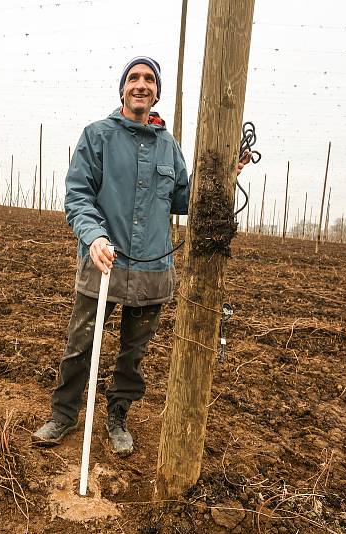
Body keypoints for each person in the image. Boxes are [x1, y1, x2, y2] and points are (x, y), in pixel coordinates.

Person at [31, 56, 248, 456]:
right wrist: (94, 237)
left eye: (149, 79)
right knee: (80, 345)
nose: (141, 84)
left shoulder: (169, 147)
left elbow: (185, 199)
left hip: (152, 270)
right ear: (122, 89)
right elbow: (77, 197)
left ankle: (118, 417)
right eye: (134, 78)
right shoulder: (96, 137)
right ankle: (63, 415)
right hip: (103, 263)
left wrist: (224, 179)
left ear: (156, 93)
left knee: (133, 354)